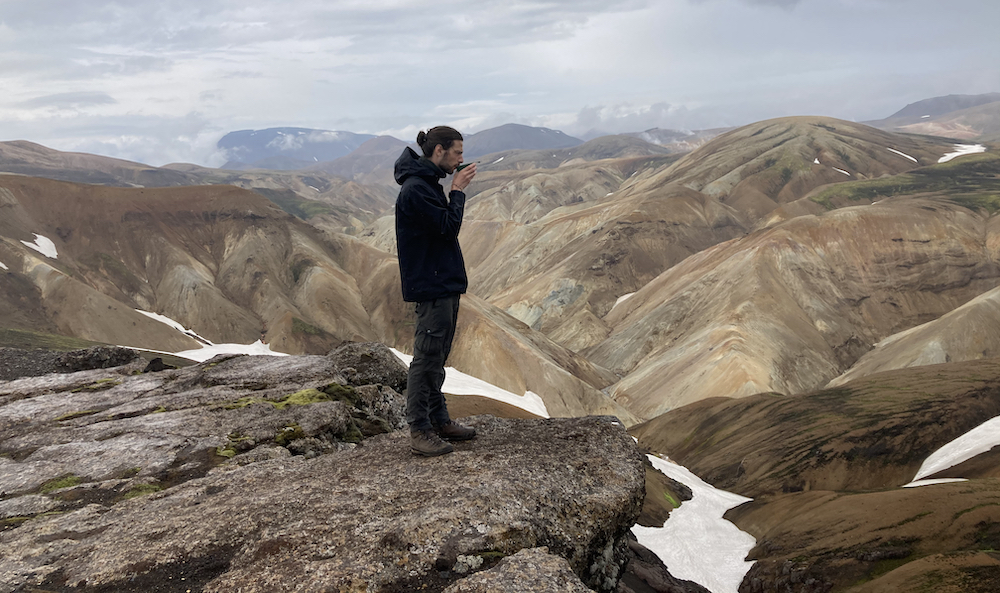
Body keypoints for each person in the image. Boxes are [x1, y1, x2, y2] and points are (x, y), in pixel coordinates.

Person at [394, 126, 479, 456]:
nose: (461, 159)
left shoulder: (426, 185)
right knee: (427, 357)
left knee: (437, 357)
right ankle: (420, 429)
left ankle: (438, 418)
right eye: (457, 152)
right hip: (432, 284)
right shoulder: (417, 189)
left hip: (441, 282)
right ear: (439, 151)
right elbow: (447, 229)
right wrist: (457, 191)